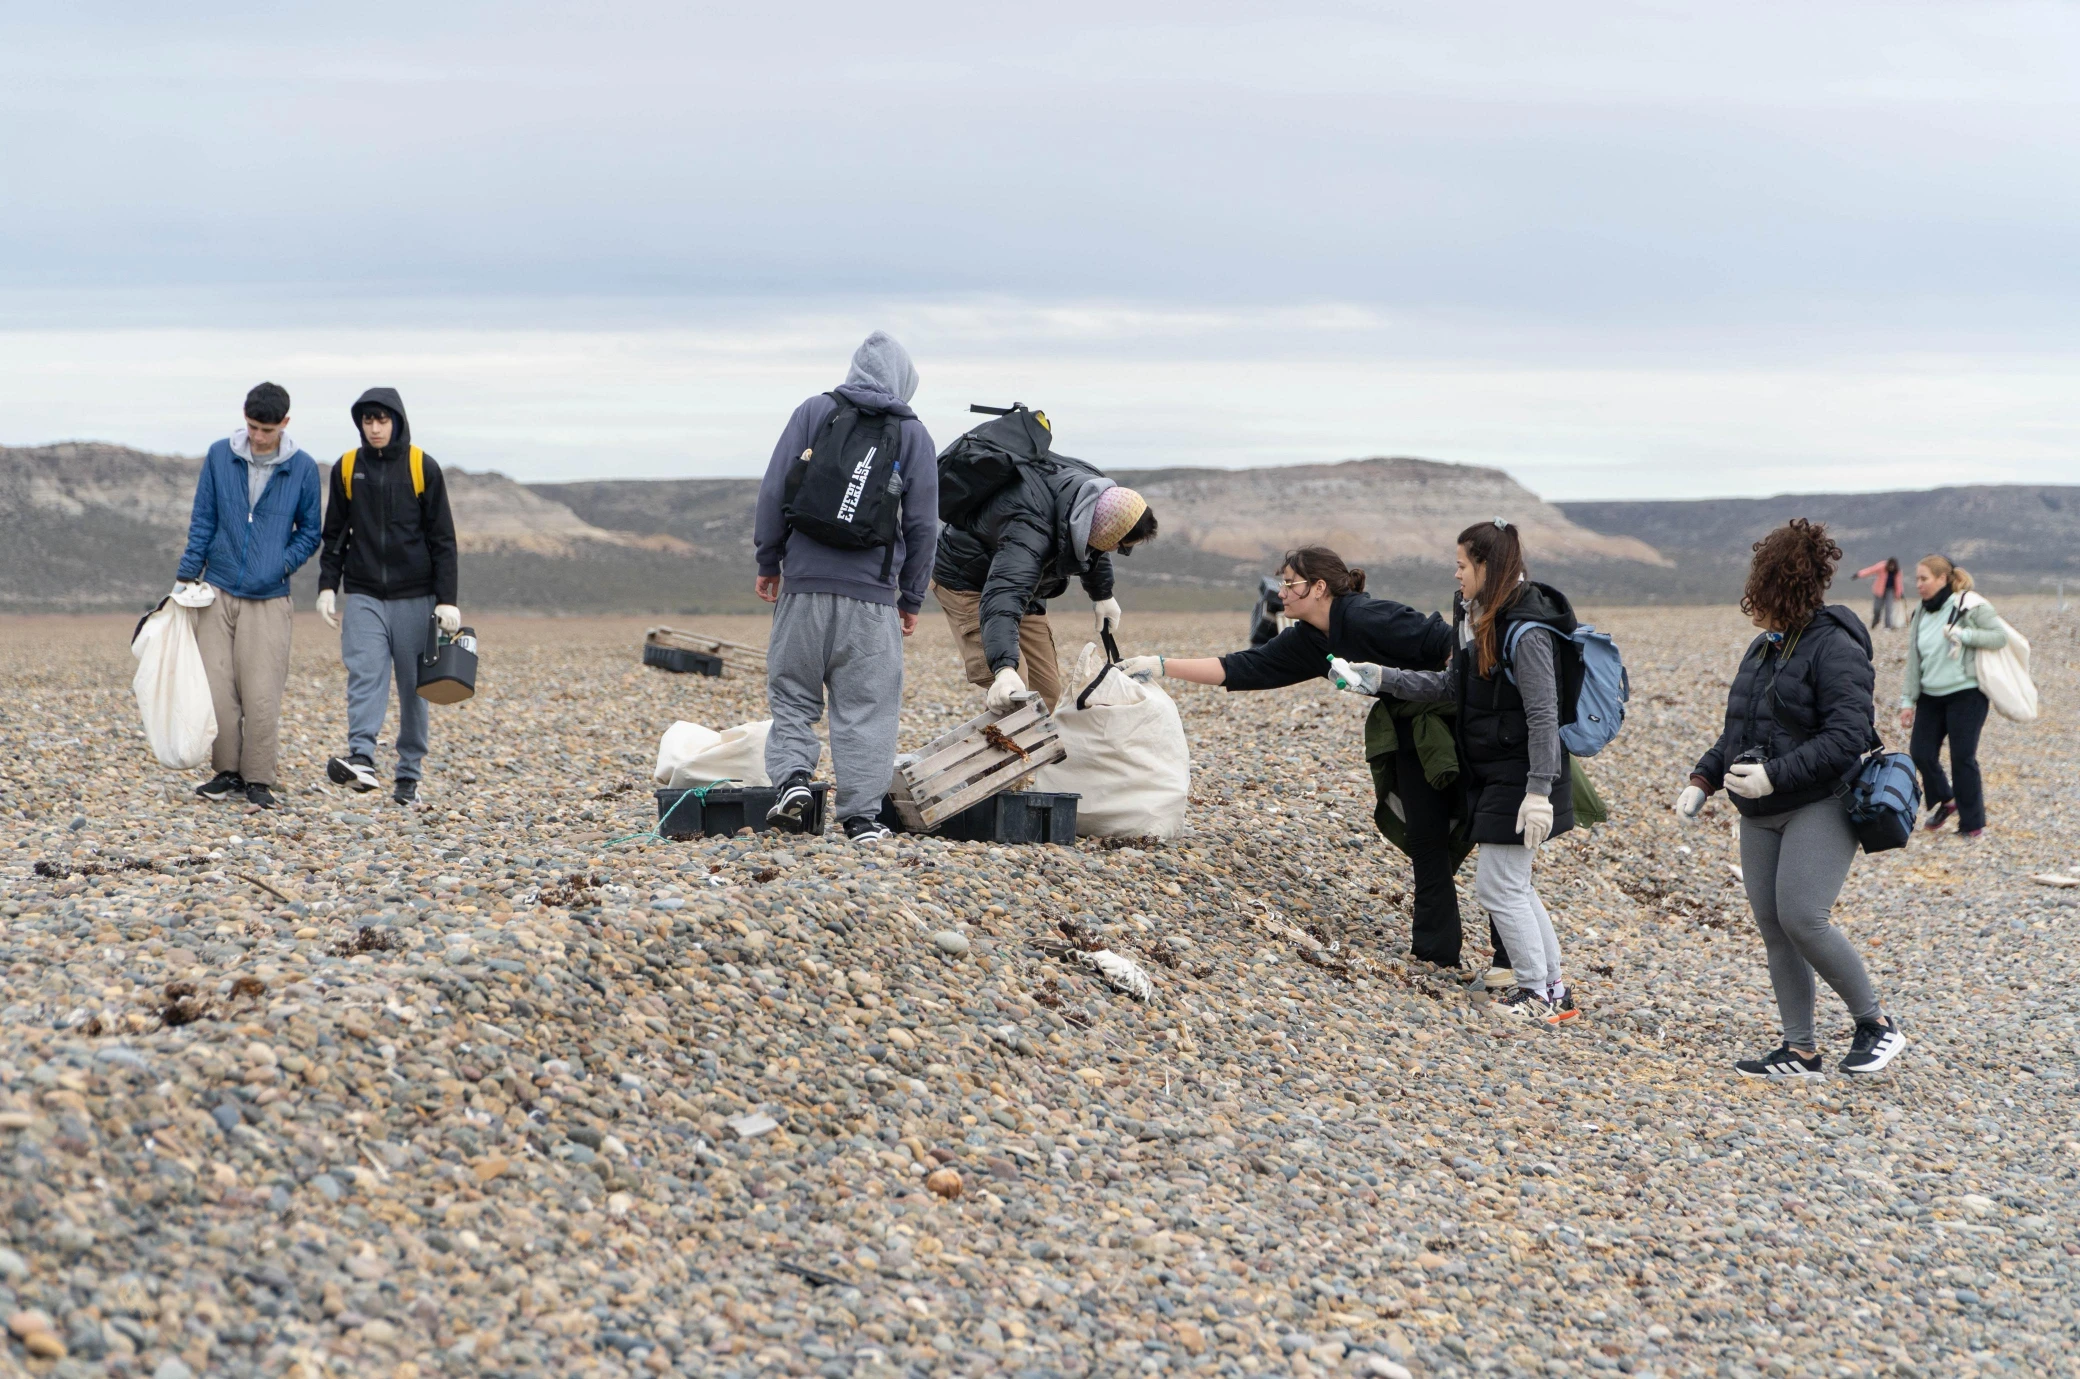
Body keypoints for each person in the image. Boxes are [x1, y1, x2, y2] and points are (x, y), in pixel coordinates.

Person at [1122, 545, 1486, 976]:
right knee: (1426, 840)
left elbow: (1452, 646)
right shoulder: (1310, 640)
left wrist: (1430, 688)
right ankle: (1436, 956)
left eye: (1290, 583)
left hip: (1463, 726)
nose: (1282, 593)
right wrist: (1161, 665)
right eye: (1281, 583)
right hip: (1410, 734)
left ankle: (1512, 961)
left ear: (1318, 588)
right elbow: (1242, 667)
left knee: (1494, 836)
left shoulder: (1370, 617)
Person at [1321, 521, 1581, 1023]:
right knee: (1515, 886)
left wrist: (1539, 792)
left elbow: (1544, 714)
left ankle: (1534, 995)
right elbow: (1449, 687)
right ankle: (1553, 989)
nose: (1455, 573)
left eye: (1462, 564)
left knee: (1499, 888)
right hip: (1502, 771)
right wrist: (1376, 678)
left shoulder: (1523, 631)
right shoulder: (1482, 621)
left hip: (1523, 774)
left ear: (1486, 566)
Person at [1677, 519, 1906, 1077]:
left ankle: (1877, 1025)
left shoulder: (1836, 646)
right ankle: (1799, 1049)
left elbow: (1847, 737)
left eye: (1760, 590)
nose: (1752, 605)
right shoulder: (1764, 647)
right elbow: (1739, 729)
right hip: (1758, 812)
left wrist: (1775, 776)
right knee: (1775, 928)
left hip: (1819, 802)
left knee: (1804, 917)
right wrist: (1703, 780)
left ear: (1781, 588)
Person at [752, 331, 940, 844]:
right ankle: (861, 818)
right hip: (872, 599)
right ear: (904, 381)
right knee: (868, 707)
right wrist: (911, 596)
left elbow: (774, 489)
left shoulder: (814, 411)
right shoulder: (912, 434)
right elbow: (924, 523)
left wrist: (769, 560)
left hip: (804, 588)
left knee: (792, 695)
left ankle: (792, 779)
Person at [175, 381, 324, 810]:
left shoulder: (303, 467)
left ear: (285, 424)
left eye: (267, 429)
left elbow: (310, 531)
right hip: (217, 589)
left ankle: (259, 778)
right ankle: (225, 773)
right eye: (253, 427)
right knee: (217, 688)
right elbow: (203, 517)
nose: (258, 437)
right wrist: (187, 575)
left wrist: (278, 564)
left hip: (270, 597)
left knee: (261, 693)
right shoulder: (220, 455)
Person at [932, 429, 1155, 712]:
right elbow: (1003, 595)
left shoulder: (1094, 495)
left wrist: (1102, 594)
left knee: (1046, 695)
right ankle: (1000, 752)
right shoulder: (1031, 528)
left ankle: (1036, 752)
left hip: (1025, 586)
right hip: (967, 582)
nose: (1116, 551)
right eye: (1119, 545)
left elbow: (1092, 544)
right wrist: (1003, 668)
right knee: (1014, 694)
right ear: (1104, 531)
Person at [317, 388, 461, 806]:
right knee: (364, 673)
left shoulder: (422, 467)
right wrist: (328, 585)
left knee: (415, 688)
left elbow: (443, 539)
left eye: (382, 420)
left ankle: (408, 777)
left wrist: (446, 599)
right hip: (363, 593)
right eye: (367, 421)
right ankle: (361, 756)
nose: (375, 428)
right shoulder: (346, 468)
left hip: (416, 596)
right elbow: (335, 535)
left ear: (396, 421)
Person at [1901, 554, 2006, 838]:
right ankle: (1948, 801)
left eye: (1924, 579)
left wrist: (1964, 635)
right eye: (1917, 579)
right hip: (1930, 696)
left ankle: (1972, 825)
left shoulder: (1969, 605)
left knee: (1963, 758)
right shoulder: (1920, 613)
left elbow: (1999, 636)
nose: (1918, 585)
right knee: (1920, 753)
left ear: (1942, 579)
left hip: (1966, 694)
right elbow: (1914, 660)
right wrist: (1907, 701)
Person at [1855, 557, 1902, 629]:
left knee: (1888, 608)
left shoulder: (1897, 572)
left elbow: (1898, 583)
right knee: (1877, 608)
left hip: (1890, 591)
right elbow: (1871, 570)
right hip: (1879, 590)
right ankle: (1876, 620)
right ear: (1888, 564)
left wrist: (1899, 594)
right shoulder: (1882, 566)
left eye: (1893, 566)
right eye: (1890, 565)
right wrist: (1859, 574)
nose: (1891, 567)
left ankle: (1888, 626)